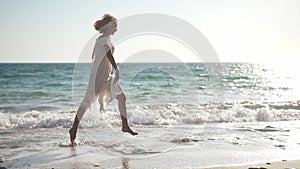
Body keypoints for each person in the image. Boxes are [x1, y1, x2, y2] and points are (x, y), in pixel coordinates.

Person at [69, 14, 138, 146]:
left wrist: (111, 70)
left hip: (107, 75)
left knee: (122, 97)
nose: (116, 30)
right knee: (87, 102)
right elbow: (108, 54)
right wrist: (117, 68)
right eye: (115, 27)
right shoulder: (104, 40)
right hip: (99, 76)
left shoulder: (103, 39)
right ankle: (74, 129)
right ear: (109, 27)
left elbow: (105, 57)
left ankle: (125, 125)